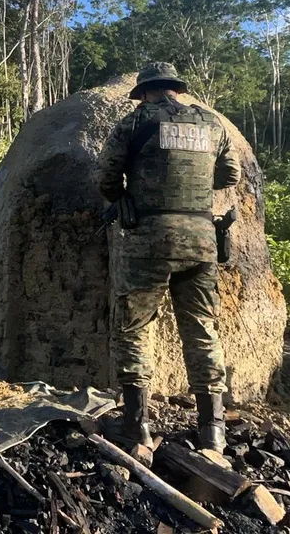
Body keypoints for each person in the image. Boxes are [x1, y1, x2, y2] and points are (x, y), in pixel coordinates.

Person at [93, 61, 241, 452]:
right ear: (175, 88)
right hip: (201, 240)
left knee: (134, 328)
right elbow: (230, 176)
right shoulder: (212, 124)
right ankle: (213, 429)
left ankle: (136, 426)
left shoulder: (135, 122)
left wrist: (126, 196)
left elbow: (106, 177)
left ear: (144, 92)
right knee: (202, 329)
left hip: (149, 239)